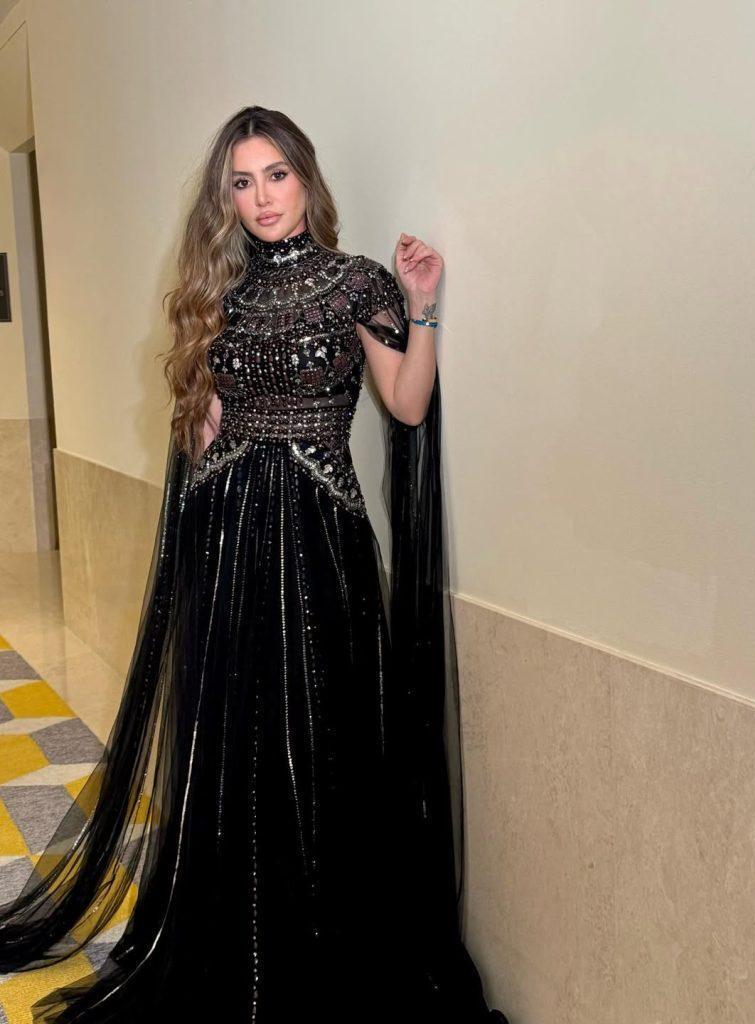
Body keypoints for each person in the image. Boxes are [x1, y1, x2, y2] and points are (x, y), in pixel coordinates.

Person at [0, 105, 507, 1023]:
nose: (263, 197)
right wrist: (201, 506)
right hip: (229, 542)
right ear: (225, 199)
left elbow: (405, 401)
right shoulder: (218, 297)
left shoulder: (354, 283)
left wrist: (423, 303)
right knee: (235, 744)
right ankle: (238, 933)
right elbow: (201, 437)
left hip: (319, 543)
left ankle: (323, 940)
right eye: (243, 182)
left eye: (276, 175)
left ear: (305, 178)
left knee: (324, 739)